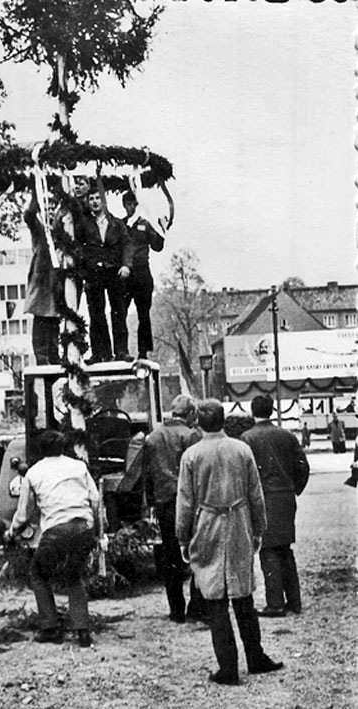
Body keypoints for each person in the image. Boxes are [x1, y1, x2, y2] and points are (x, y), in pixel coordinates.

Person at [176, 399, 283, 686]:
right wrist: (258, 528)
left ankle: (228, 667)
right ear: (223, 420)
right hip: (239, 523)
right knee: (243, 594)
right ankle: (256, 657)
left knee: (215, 599)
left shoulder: (191, 456)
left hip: (207, 526)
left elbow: (185, 502)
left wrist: (182, 536)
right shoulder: (241, 449)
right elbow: (255, 493)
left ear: (198, 421)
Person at [7, 430, 99, 648]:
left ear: (40, 450)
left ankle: (51, 628)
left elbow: (23, 515)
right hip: (83, 527)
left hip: (56, 531)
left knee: (38, 573)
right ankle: (82, 631)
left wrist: (11, 532)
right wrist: (92, 524)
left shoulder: (33, 473)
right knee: (74, 575)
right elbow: (95, 499)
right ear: (63, 447)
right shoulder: (79, 466)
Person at [241, 394, 310, 617]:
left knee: (268, 549)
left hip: (263, 497)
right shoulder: (287, 435)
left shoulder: (247, 438)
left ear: (253, 411)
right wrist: (294, 488)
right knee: (285, 549)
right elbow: (302, 466)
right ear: (272, 410)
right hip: (286, 497)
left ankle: (275, 603)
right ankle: (294, 601)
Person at [144, 394, 208, 625]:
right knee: (197, 553)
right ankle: (197, 607)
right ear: (190, 413)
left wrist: (151, 501)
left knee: (170, 557)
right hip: (189, 502)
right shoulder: (192, 435)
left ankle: (176, 610)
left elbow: (147, 474)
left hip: (164, 503)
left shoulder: (153, 436)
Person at [78, 187, 134, 363]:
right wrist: (85, 268)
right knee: (96, 314)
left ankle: (121, 351)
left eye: (97, 198)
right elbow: (78, 247)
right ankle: (100, 353)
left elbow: (127, 244)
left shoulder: (116, 223)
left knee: (118, 312)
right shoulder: (84, 225)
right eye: (91, 199)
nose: (95, 202)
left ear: (103, 201)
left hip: (114, 272)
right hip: (94, 273)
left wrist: (126, 265)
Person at [121, 191, 164, 359]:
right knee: (120, 313)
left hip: (142, 273)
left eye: (134, 204)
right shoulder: (121, 225)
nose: (131, 207)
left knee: (144, 315)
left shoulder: (145, 225)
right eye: (128, 204)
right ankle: (121, 350)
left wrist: (162, 229)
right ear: (124, 205)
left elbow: (157, 246)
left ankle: (143, 352)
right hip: (125, 274)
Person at [23, 189, 61, 365]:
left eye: (53, 207)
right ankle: (41, 357)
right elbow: (29, 215)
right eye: (47, 207)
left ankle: (54, 356)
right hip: (41, 280)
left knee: (54, 319)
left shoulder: (60, 230)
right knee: (40, 318)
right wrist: (35, 193)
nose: (50, 210)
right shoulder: (39, 229)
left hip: (56, 280)